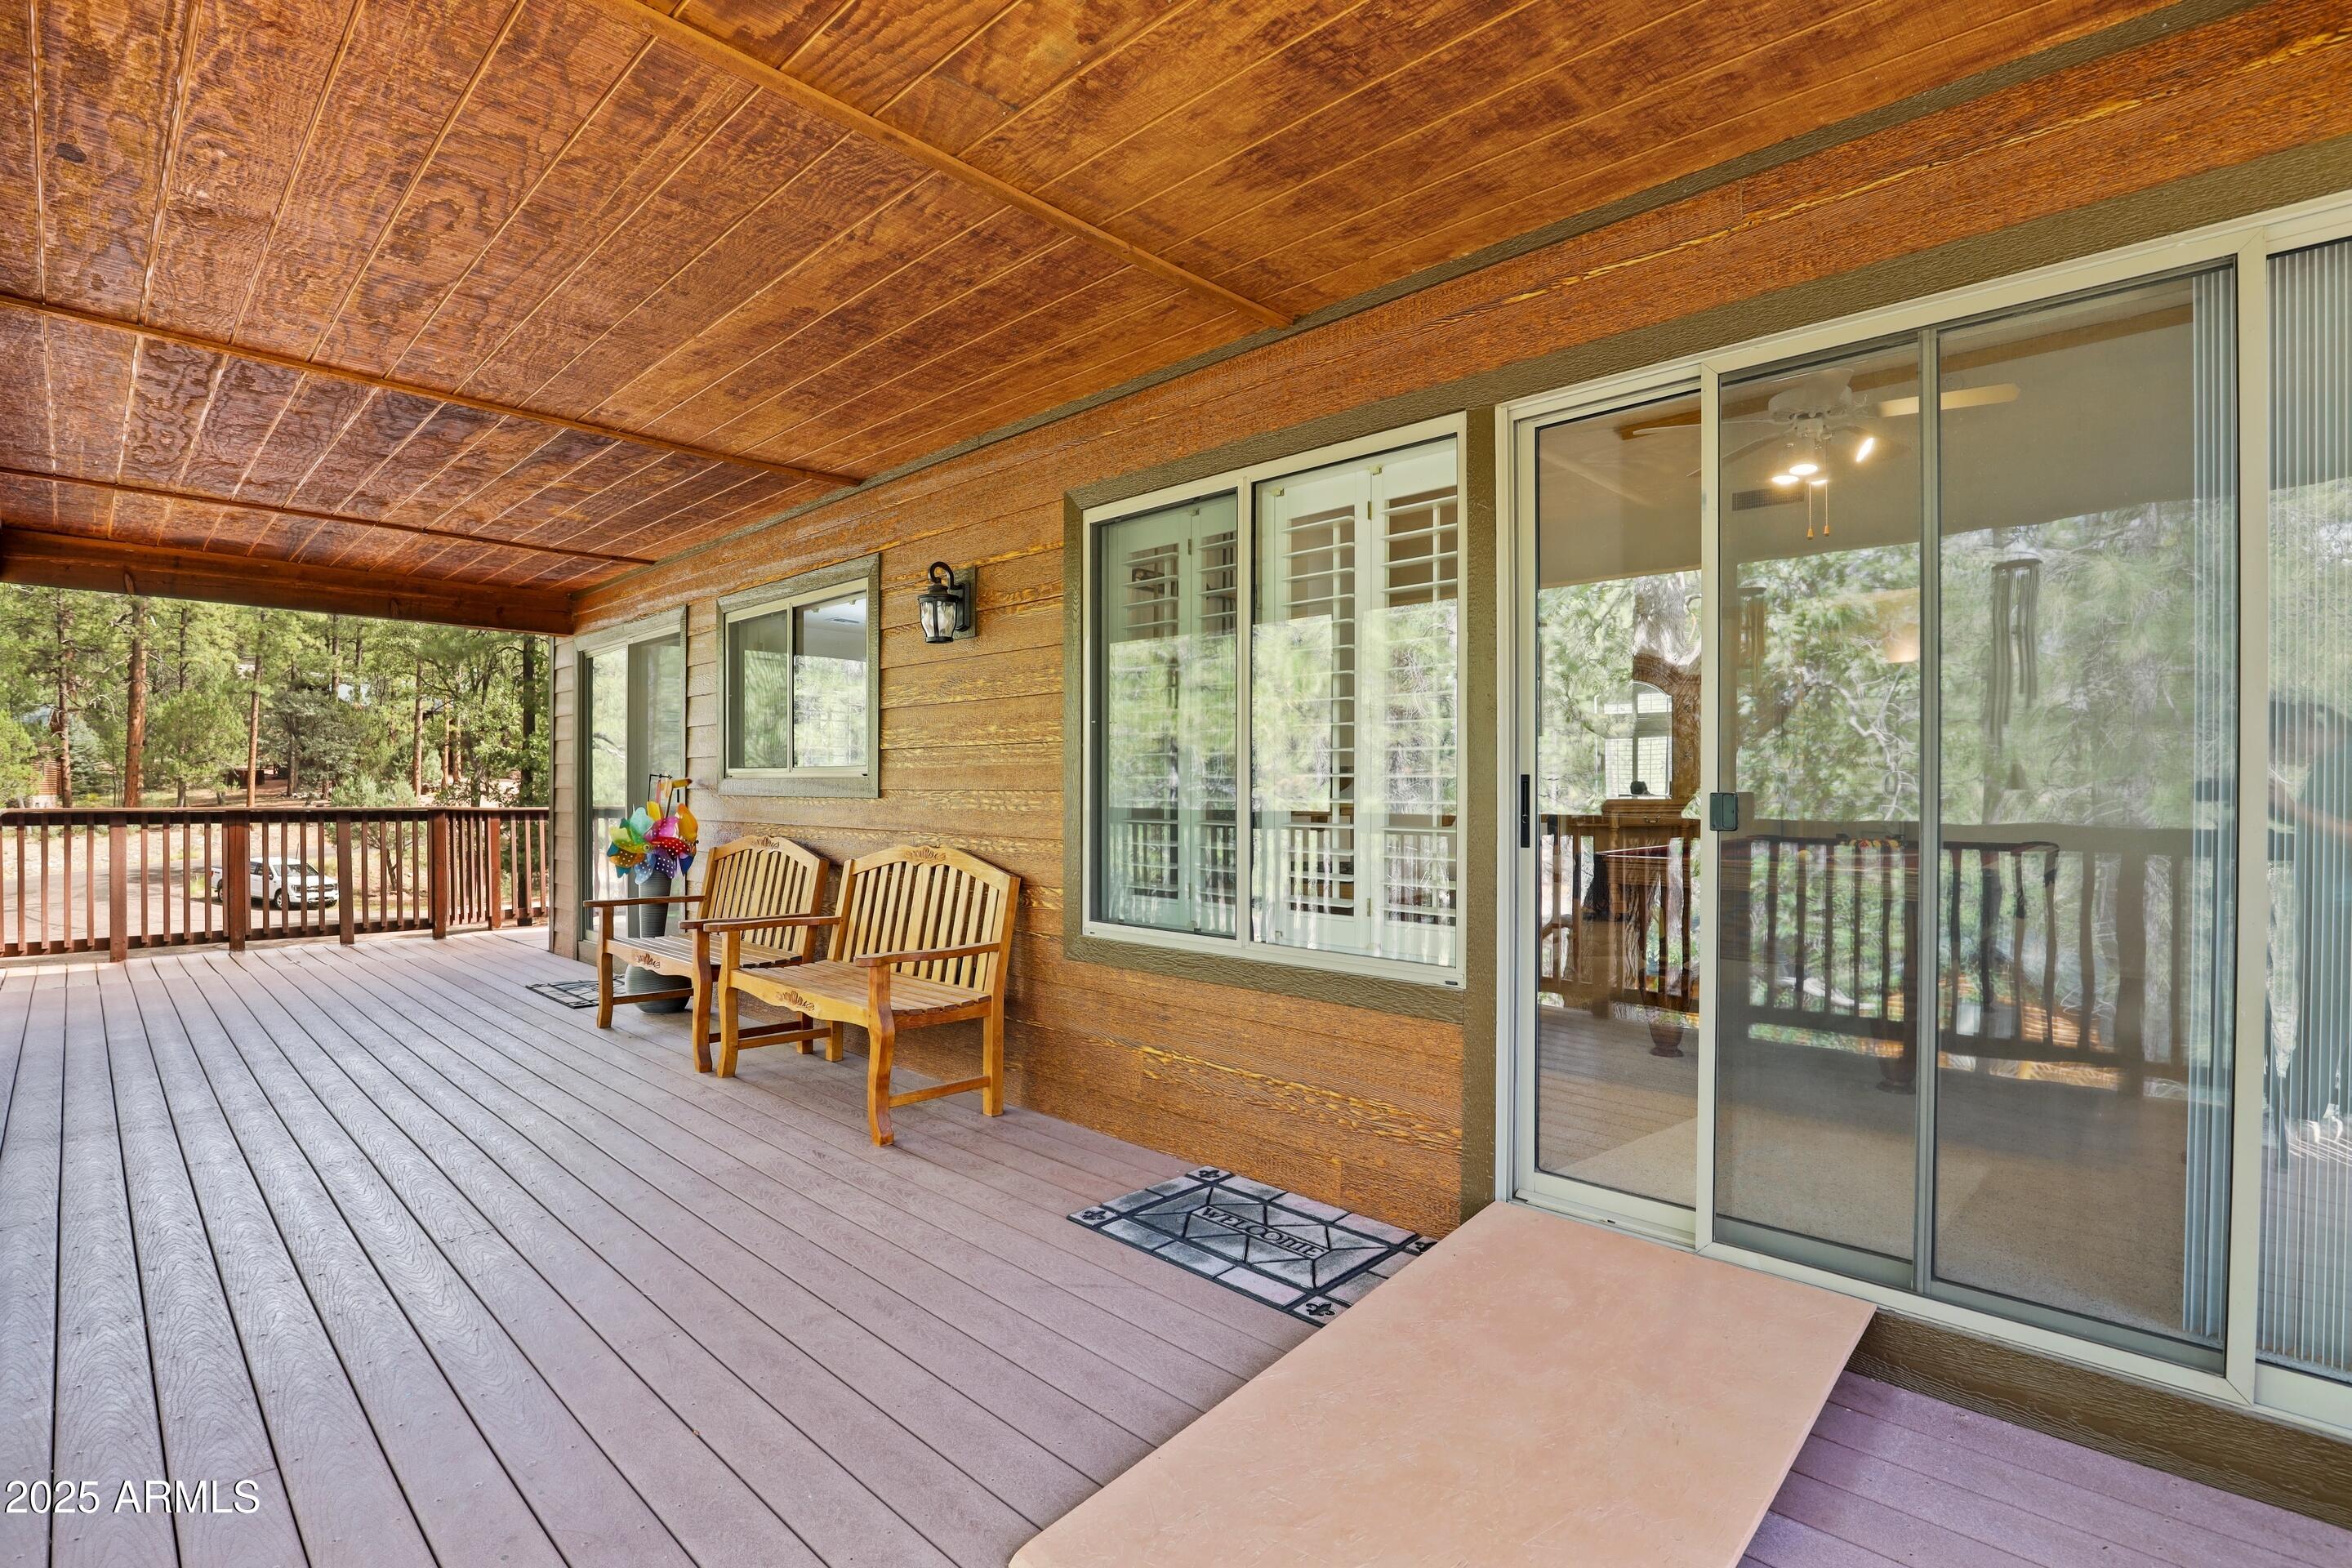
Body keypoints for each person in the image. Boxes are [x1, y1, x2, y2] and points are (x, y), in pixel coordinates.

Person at [2271, 696, 2352, 1125]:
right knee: (2338, 1005)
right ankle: (2334, 1111)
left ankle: (2299, 1114)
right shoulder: (2334, 763)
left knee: (2326, 1003)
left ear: (2307, 723)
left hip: (2340, 906)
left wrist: (2293, 808)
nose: (2287, 754)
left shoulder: (2345, 760)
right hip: (2334, 902)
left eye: (2285, 743)